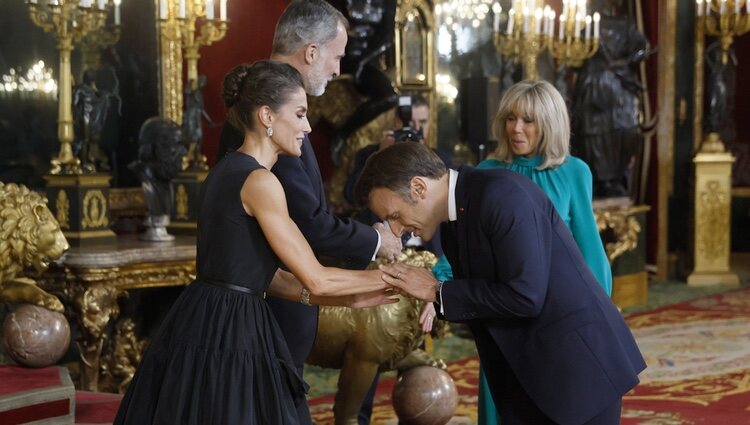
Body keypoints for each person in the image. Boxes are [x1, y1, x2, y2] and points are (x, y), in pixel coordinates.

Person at [115, 60, 397, 425]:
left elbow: (270, 277)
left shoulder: (224, 171)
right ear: (267, 116)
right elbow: (317, 278)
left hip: (200, 317)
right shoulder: (261, 183)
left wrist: (355, 294)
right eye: (299, 114)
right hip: (235, 329)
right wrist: (395, 278)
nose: (307, 127)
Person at [355, 142, 646, 425]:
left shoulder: (501, 193)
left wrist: (436, 290)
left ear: (419, 187)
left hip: (579, 372)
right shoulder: (456, 217)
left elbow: (525, 296)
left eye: (394, 215)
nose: (395, 229)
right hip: (532, 376)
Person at [214, 0, 402, 421]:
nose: (339, 71)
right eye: (337, 56)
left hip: (267, 299)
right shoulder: (262, 145)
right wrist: (384, 267)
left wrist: (356, 289)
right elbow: (310, 227)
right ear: (311, 52)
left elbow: (287, 254)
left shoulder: (264, 119)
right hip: (258, 319)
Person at [476, 79, 614, 424]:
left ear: (549, 124)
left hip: (558, 314)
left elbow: (589, 247)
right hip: (504, 310)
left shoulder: (573, 172)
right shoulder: (485, 174)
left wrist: (598, 313)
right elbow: (467, 246)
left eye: (528, 121)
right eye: (510, 118)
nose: (516, 129)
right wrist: (440, 281)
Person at [128, 117, 186, 241]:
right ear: (157, 148)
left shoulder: (167, 182)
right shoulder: (140, 180)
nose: (184, 152)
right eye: (176, 144)